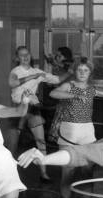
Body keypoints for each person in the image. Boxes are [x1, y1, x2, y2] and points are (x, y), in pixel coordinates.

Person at [49, 57, 103, 198]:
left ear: (90, 73)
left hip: (87, 133)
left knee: (87, 172)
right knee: (67, 172)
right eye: (79, 70)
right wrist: (74, 95)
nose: (82, 73)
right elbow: (53, 93)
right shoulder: (69, 85)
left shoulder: (92, 89)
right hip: (69, 132)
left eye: (86, 70)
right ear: (75, 71)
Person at [8, 46, 61, 181]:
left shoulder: (37, 71)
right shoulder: (15, 71)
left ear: (30, 56)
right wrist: (33, 76)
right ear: (17, 58)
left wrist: (70, 71)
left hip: (32, 108)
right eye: (21, 55)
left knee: (41, 141)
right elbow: (12, 83)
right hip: (17, 109)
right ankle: (9, 174)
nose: (25, 58)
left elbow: (56, 80)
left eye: (27, 55)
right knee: (13, 144)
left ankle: (43, 173)